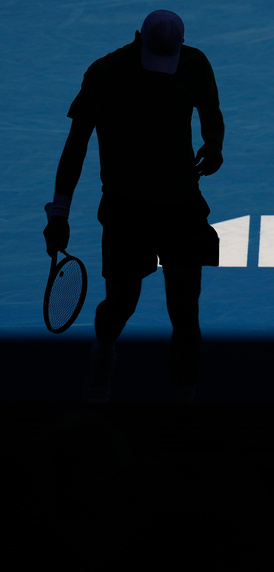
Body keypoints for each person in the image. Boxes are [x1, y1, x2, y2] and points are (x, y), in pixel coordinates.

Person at [43, 10, 224, 403]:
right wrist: (59, 212)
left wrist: (214, 144)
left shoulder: (194, 63)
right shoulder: (105, 72)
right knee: (120, 305)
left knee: (185, 313)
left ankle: (182, 407)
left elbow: (211, 112)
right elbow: (76, 146)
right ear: (137, 37)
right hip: (127, 210)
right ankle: (104, 348)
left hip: (181, 205)